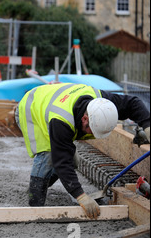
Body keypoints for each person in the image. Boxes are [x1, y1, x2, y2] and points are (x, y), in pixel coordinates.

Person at [15, 83, 150, 219]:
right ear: (85, 119)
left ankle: (42, 185)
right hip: (30, 110)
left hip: (48, 102)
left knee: (74, 161)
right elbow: (61, 161)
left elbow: (133, 103)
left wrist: (147, 126)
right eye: (92, 129)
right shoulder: (61, 120)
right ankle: (34, 204)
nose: (93, 135)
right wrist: (81, 196)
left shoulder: (102, 104)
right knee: (48, 155)